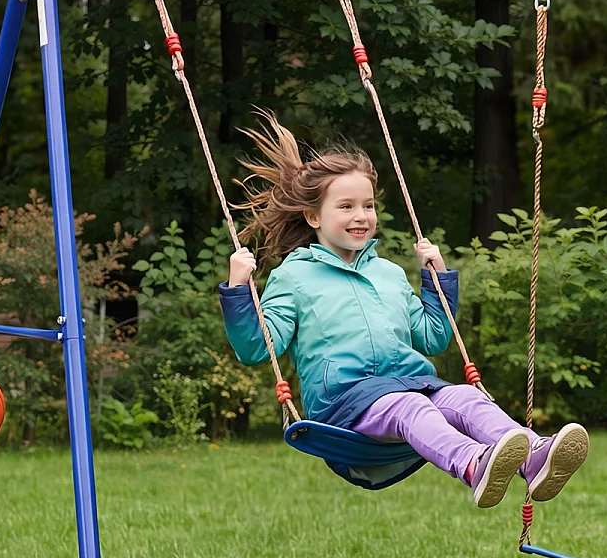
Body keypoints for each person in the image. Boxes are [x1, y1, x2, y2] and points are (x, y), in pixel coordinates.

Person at [221, 116, 588, 508]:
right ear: (313, 217)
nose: (361, 216)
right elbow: (257, 347)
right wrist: (239, 289)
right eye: (346, 206)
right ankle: (472, 464)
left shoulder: (389, 274)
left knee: (465, 397)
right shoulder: (294, 277)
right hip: (345, 402)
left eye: (368, 205)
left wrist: (437, 280)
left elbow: (433, 336)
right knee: (410, 406)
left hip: (411, 383)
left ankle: (534, 457)